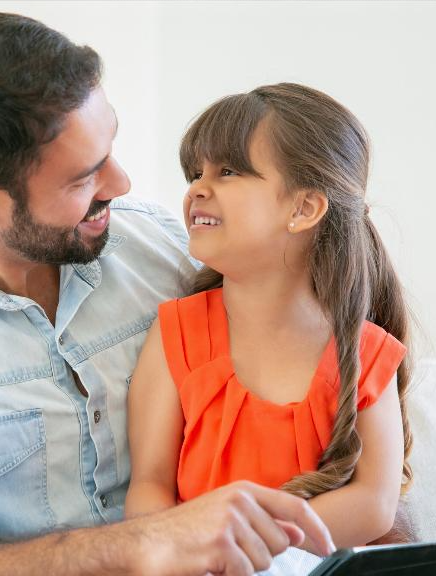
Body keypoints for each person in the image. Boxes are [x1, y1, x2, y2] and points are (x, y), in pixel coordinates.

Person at [0, 12, 367, 576]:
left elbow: (325, 390)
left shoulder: (161, 249)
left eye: (110, 147)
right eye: (83, 178)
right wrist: (137, 545)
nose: (122, 184)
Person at [125, 84, 416, 564]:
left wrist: (254, 547)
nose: (197, 188)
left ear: (303, 209)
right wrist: (189, 553)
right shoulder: (178, 333)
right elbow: (148, 487)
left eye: (228, 171)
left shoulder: (367, 354)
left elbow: (374, 504)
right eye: (196, 173)